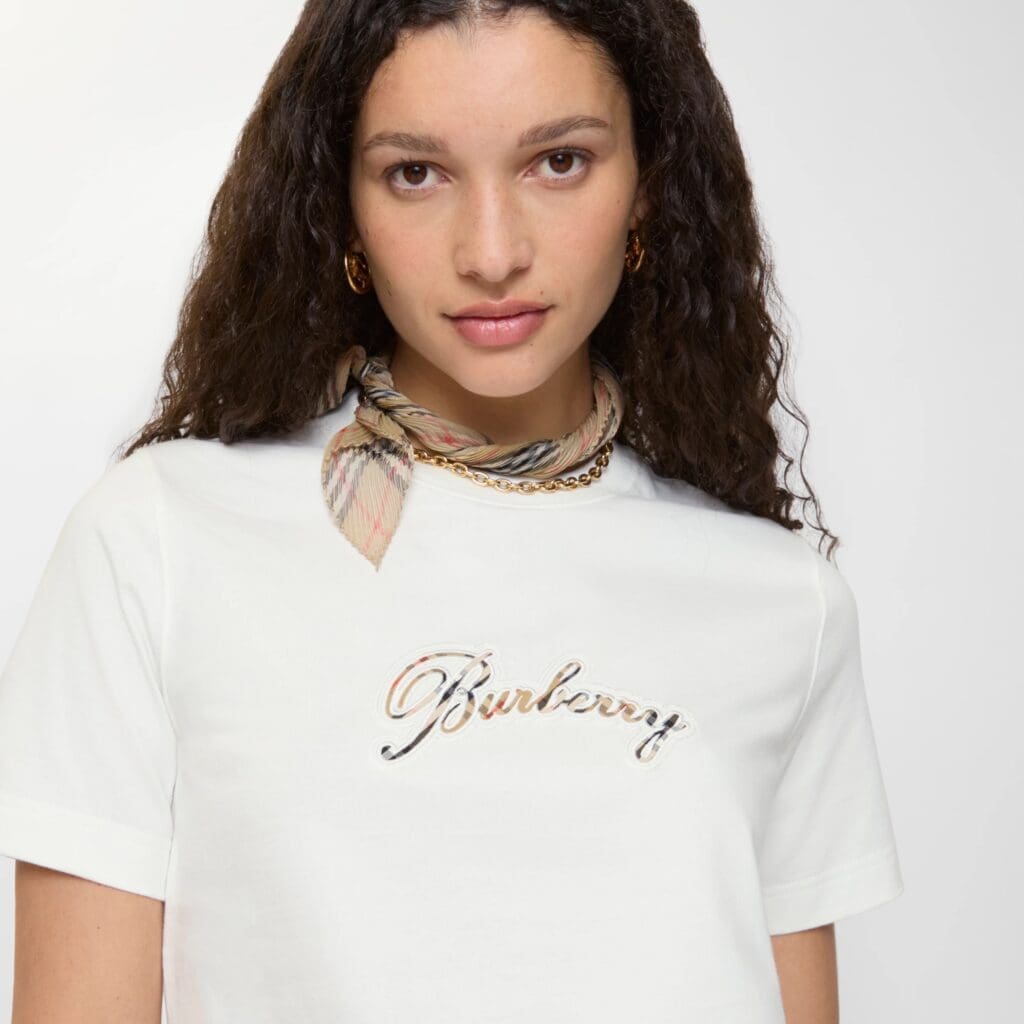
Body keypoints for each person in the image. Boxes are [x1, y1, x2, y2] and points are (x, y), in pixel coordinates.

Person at [0, 1, 904, 1021]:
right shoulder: (158, 542)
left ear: (648, 184)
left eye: (558, 161)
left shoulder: (781, 599)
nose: (491, 250)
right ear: (341, 205)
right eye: (415, 173)